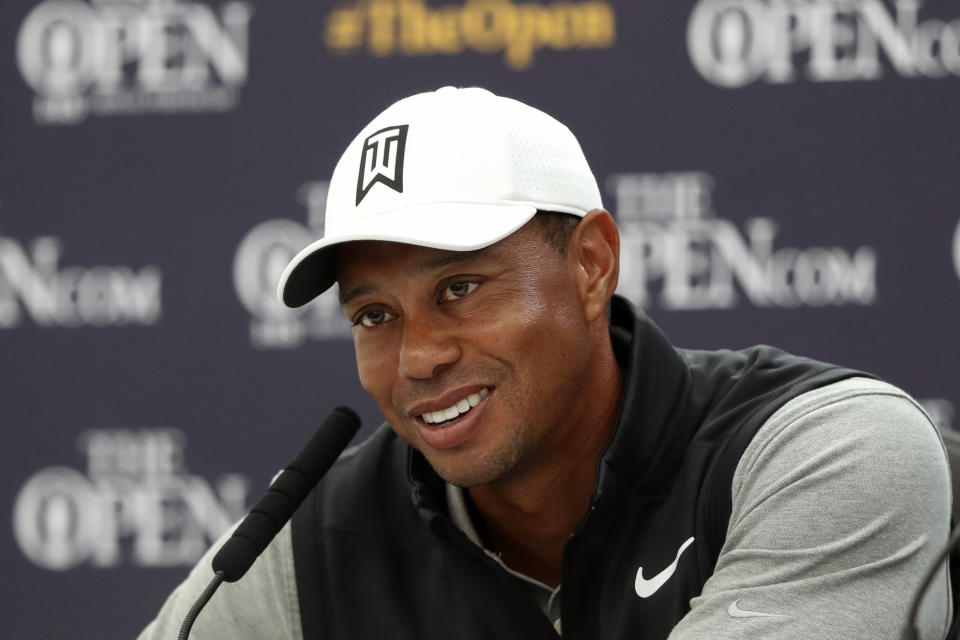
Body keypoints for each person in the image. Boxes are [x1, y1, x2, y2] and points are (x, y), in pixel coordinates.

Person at [138, 87, 954, 640]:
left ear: (592, 265)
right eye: (374, 315)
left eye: (460, 286)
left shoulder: (821, 450)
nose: (418, 356)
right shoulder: (314, 540)